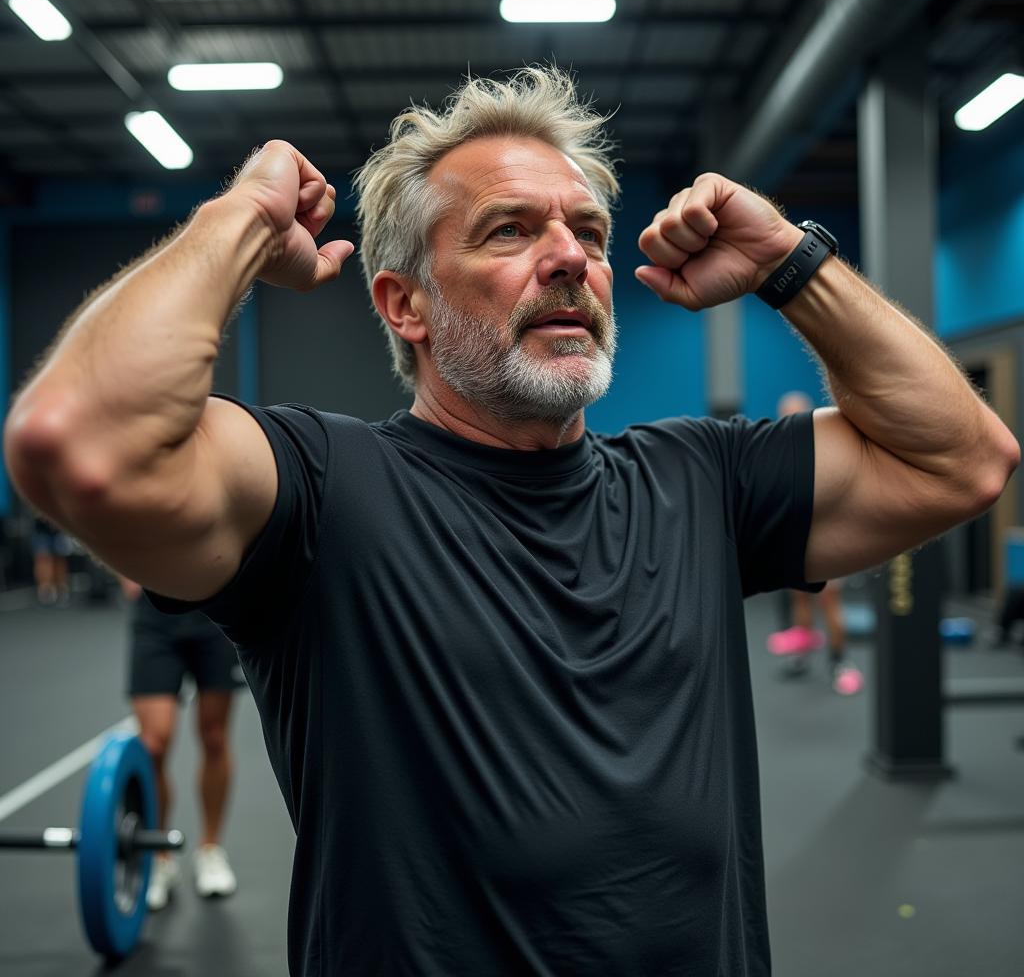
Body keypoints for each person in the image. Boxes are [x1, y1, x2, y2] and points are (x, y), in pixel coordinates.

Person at [4, 67, 1018, 975]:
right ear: (404, 304)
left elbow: (962, 458)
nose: (568, 257)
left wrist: (789, 262)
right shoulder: (320, 491)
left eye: (587, 232)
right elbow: (79, 443)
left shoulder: (697, 479)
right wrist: (244, 214)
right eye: (509, 230)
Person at [120, 576, 243, 908]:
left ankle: (210, 850)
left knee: (214, 737)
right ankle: (157, 856)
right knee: (153, 744)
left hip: (214, 612)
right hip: (155, 616)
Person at [766, 391, 864, 695]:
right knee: (799, 598)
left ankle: (839, 662)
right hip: (796, 539)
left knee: (829, 600)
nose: (790, 419)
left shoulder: (824, 447)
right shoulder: (778, 450)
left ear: (807, 415)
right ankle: (802, 654)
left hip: (827, 539)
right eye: (786, 413)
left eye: (795, 413)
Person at [31, 514, 72, 605]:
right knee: (43, 558)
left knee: (59, 558)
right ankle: (46, 590)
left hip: (58, 528)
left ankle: (61, 588)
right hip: (41, 529)